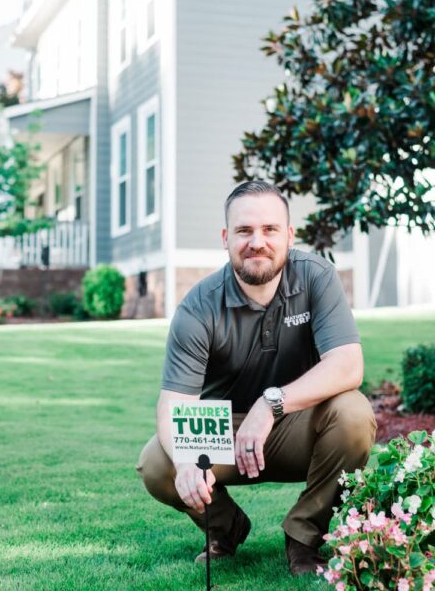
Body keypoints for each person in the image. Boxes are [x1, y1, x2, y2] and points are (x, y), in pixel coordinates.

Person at [136, 180, 376, 575]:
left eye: (269, 230)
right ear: (226, 238)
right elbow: (175, 403)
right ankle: (225, 528)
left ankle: (305, 537)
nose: (257, 242)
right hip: (224, 434)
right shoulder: (198, 305)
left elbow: (348, 364)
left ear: (289, 235)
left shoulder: (316, 277)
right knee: (158, 463)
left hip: (299, 425)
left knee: (353, 413)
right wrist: (185, 461)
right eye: (245, 231)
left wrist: (271, 404)